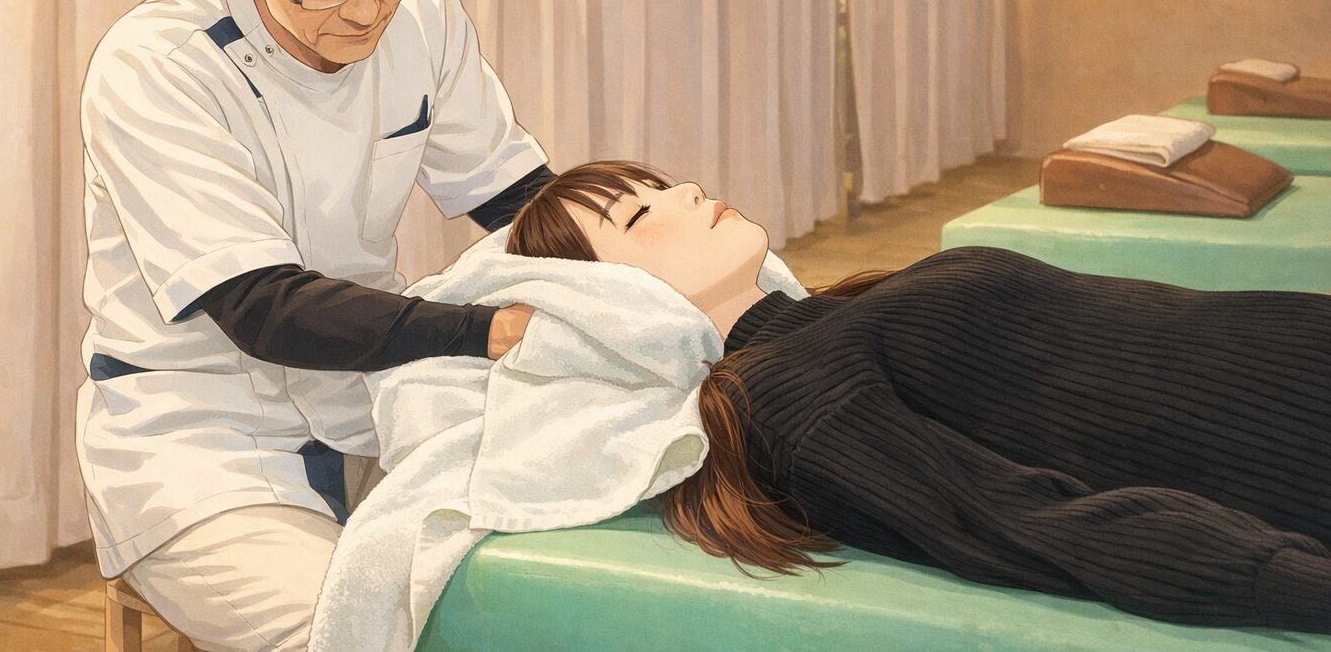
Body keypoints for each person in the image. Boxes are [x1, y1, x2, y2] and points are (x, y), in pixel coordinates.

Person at [75, 0, 550, 651]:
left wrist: (642, 266)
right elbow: (262, 307)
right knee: (361, 637)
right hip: (204, 442)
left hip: (374, 403)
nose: (368, 9)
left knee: (545, 596)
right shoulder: (159, 68)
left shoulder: (426, 13)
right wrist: (490, 330)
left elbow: (516, 199)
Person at [505, 160, 1331, 634]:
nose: (687, 190)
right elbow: (1024, 523)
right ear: (613, 300)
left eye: (663, 181)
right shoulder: (784, 396)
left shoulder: (842, 311)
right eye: (641, 213)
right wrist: (1296, 584)